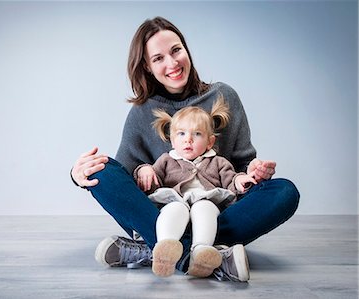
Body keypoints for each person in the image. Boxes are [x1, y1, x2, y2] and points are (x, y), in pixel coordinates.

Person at [71, 16, 299, 282]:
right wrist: (78, 176)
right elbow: (126, 177)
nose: (172, 63)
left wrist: (254, 172)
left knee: (284, 191)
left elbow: (241, 164)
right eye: (158, 58)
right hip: (162, 213)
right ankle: (201, 257)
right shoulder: (142, 111)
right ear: (146, 65)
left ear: (186, 49)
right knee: (105, 169)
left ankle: (154, 251)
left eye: (176, 50)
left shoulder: (224, 96)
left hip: (214, 211)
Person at [134, 99, 257, 278]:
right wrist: (144, 170)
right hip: (177, 200)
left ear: (209, 142)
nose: (188, 140)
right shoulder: (166, 160)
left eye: (197, 134)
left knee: (204, 207)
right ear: (173, 141)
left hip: (205, 200)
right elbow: (153, 182)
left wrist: (240, 180)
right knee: (173, 208)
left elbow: (231, 181)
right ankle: (165, 247)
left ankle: (201, 252)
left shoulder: (218, 162)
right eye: (181, 134)